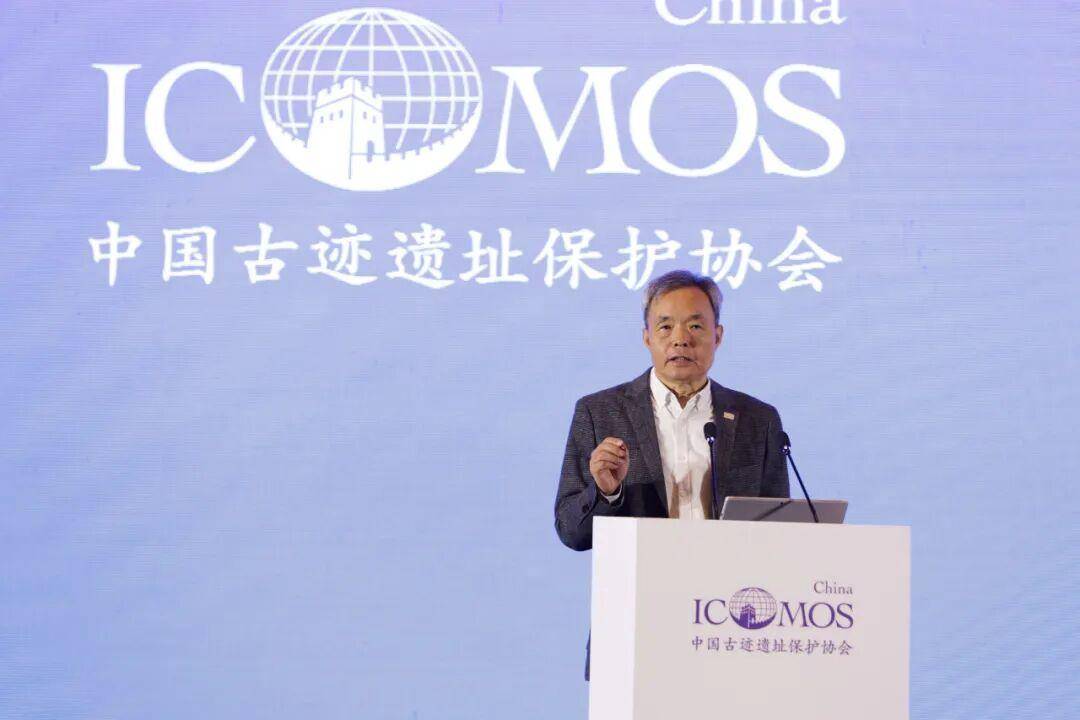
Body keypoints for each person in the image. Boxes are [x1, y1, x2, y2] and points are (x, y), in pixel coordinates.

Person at [553, 269, 790, 679]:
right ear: (647, 337)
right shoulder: (599, 412)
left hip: (731, 625)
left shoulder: (758, 420)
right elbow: (571, 532)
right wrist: (606, 493)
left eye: (695, 326)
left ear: (718, 335)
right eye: (665, 326)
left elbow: (782, 533)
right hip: (636, 624)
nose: (680, 339)